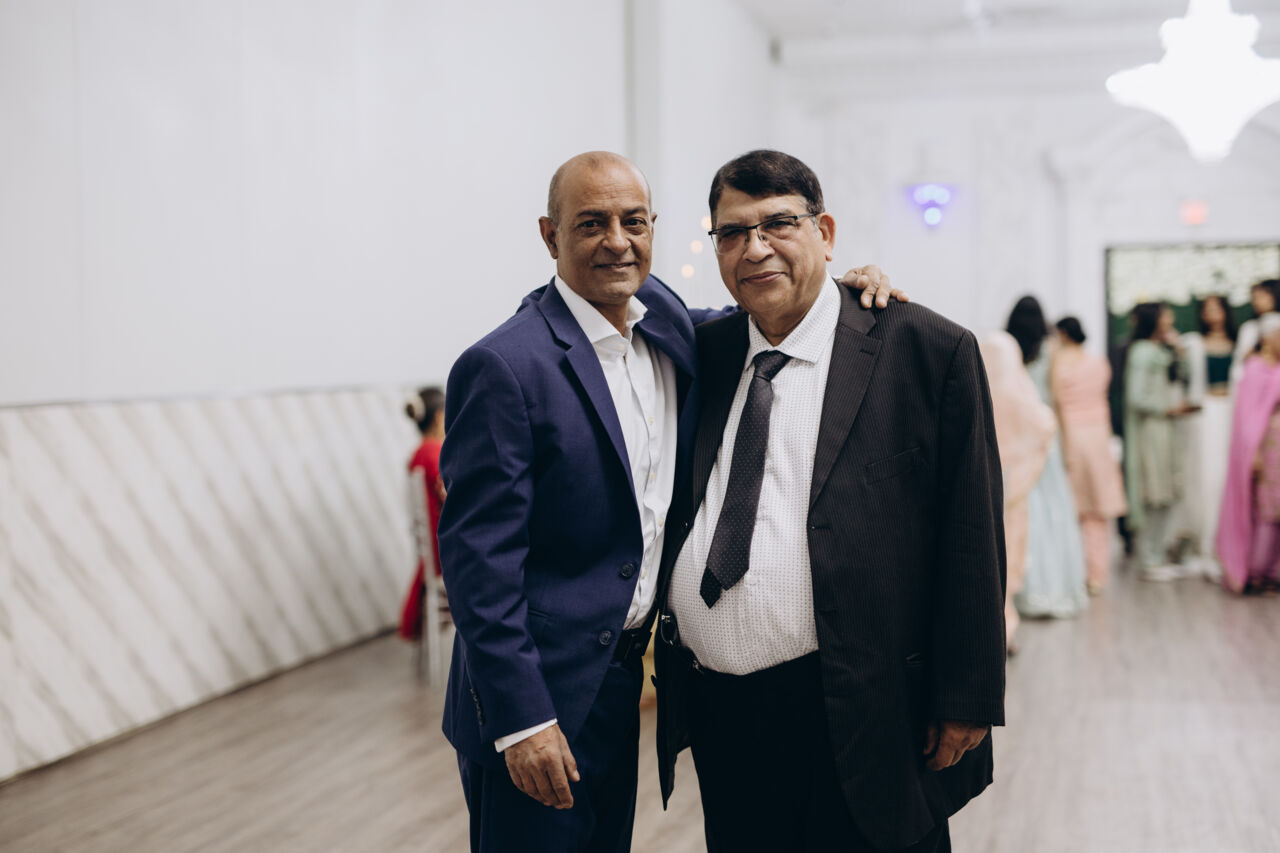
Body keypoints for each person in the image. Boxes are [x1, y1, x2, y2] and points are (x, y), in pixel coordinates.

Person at [436, 150, 901, 852]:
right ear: (549, 236)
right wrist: (522, 720)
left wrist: (842, 287)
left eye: (634, 221)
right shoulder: (505, 366)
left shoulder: (668, 325)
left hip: (623, 681)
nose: (617, 241)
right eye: (591, 223)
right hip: (539, 694)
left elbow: (764, 313)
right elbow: (478, 565)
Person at [654, 150, 1005, 853]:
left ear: (826, 231)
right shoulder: (703, 351)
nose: (755, 248)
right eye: (732, 233)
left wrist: (967, 696)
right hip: (725, 716)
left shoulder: (927, 351)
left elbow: (972, 533)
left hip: (866, 705)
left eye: (778, 224)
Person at [1005, 297, 1088, 617]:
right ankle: (1054, 587)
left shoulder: (1008, 348)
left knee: (1024, 508)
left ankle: (1023, 589)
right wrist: (1065, 443)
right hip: (1044, 436)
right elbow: (1055, 400)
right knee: (1054, 509)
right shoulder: (1049, 350)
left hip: (1018, 438)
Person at [979, 330, 1055, 652]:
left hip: (978, 490)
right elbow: (1044, 425)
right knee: (1008, 557)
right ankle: (1005, 629)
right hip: (1012, 490)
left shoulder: (975, 392)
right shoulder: (1019, 394)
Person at [1051, 317, 1128, 595]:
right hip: (1098, 436)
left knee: (1071, 508)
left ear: (1062, 334)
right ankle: (1097, 574)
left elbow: (1058, 404)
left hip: (1072, 436)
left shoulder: (1058, 362)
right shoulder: (1098, 362)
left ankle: (1074, 573)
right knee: (1098, 509)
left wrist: (1063, 445)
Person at [1123, 302, 1192, 581]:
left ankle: (1158, 554)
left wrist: (1179, 350)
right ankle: (1150, 557)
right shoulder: (1142, 352)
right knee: (1154, 492)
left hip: (1166, 428)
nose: (1170, 319)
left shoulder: (1160, 350)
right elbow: (1136, 396)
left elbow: (1184, 376)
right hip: (1152, 430)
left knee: (1166, 490)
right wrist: (1167, 408)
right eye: (1165, 315)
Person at [1217, 312, 1280, 593]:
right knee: (1265, 510)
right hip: (1265, 450)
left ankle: (1274, 570)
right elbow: (1247, 417)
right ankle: (1256, 569)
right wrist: (1252, 453)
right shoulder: (1254, 369)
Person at [1177, 294, 1237, 580]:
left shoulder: (1240, 343)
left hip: (1232, 412)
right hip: (1207, 414)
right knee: (1206, 474)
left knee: (1229, 475)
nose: (1212, 313)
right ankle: (1204, 543)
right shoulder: (1193, 343)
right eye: (1207, 309)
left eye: (1217, 308)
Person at [398, 386, 447, 641]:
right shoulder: (435, 453)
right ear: (439, 417)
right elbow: (452, 498)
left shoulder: (417, 455)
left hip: (431, 555)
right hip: (445, 556)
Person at [1230, 279, 1279, 386]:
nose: (1256, 302)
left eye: (1262, 296)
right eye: (1254, 298)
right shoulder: (1249, 328)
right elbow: (1239, 365)